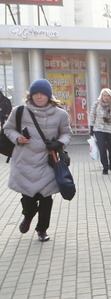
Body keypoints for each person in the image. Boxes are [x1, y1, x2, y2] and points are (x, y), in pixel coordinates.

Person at [4, 79, 71, 242]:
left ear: (49, 96)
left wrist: (59, 143)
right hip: (24, 162)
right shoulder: (19, 111)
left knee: (46, 198)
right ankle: (28, 216)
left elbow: (67, 133)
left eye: (42, 94)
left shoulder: (60, 114)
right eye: (36, 94)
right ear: (30, 95)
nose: (39, 97)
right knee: (28, 198)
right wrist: (17, 137)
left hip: (48, 161)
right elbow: (8, 128)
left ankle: (42, 230)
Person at [89, 88, 111, 175]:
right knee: (102, 147)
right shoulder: (96, 104)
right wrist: (91, 128)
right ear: (101, 96)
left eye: (108, 96)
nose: (106, 97)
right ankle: (105, 166)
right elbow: (92, 115)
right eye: (104, 95)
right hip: (99, 129)